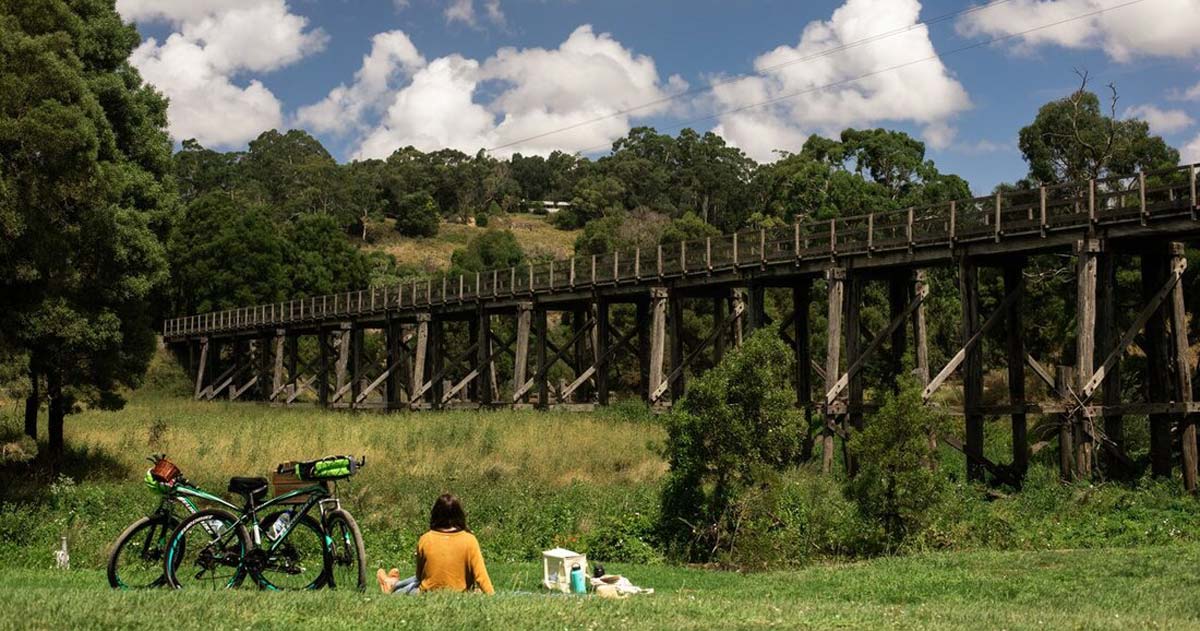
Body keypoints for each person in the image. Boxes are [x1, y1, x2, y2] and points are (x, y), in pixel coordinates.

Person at [377, 493, 494, 595]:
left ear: (435, 515)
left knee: (405, 590)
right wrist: (490, 595)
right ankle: (392, 583)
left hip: (427, 592)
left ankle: (392, 585)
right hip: (460, 592)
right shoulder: (470, 540)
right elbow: (481, 576)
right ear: (460, 515)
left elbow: (419, 575)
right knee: (417, 581)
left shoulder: (425, 539)